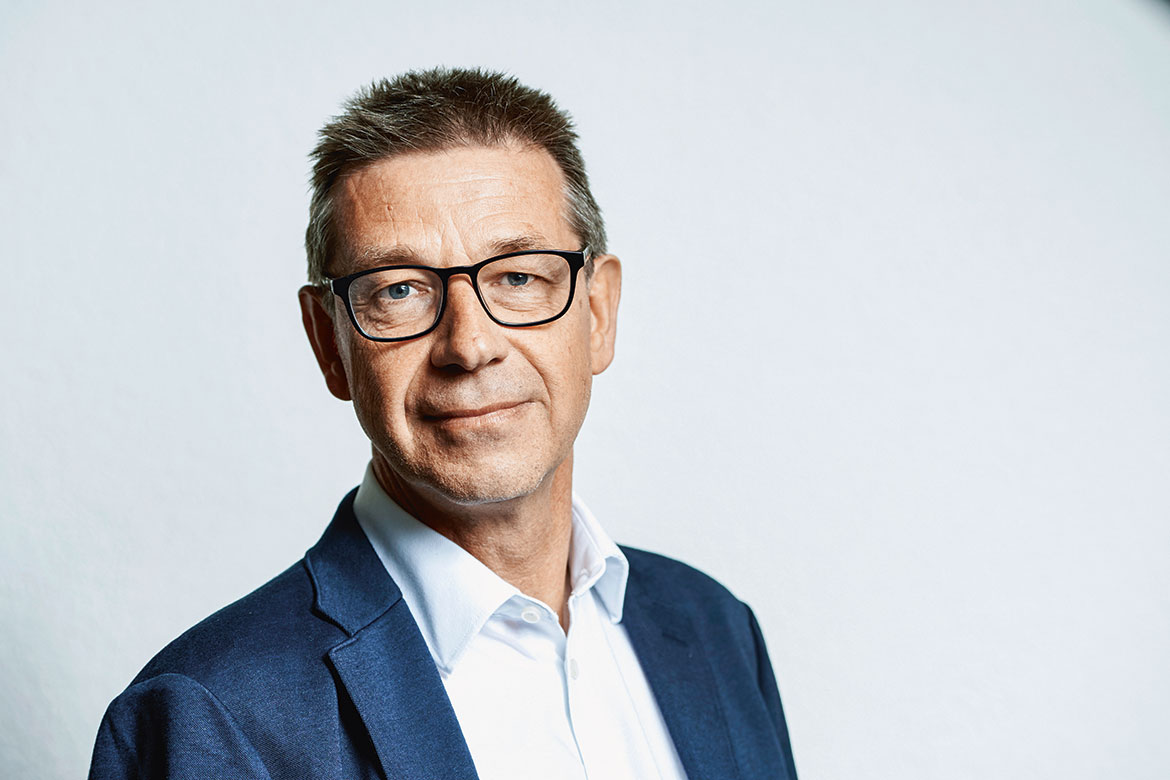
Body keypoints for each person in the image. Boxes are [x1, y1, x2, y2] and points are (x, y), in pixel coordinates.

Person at [88, 67, 799, 780]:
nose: (469, 345)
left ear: (597, 314)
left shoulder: (717, 632)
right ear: (329, 343)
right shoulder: (210, 714)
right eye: (399, 289)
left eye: (518, 277)